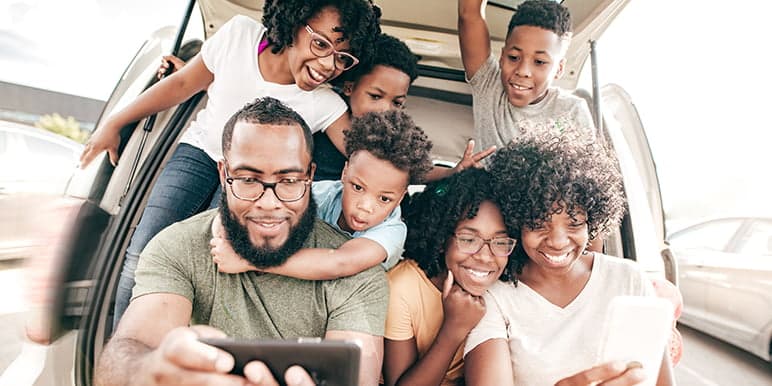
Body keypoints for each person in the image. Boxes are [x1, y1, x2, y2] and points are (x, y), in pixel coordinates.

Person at [79, 0, 381, 326]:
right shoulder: (239, 35)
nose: (328, 64)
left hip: (249, 182)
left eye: (342, 57)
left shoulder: (326, 104)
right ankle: (128, 353)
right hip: (199, 155)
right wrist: (114, 123)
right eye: (321, 44)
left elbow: (370, 160)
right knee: (143, 252)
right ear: (294, 24)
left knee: (210, 260)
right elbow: (181, 85)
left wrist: (422, 180)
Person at [93, 97, 388, 386]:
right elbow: (129, 350)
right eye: (248, 179)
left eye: (288, 181)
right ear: (224, 175)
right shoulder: (179, 246)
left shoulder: (359, 275)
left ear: (310, 176)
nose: (269, 203)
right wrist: (150, 371)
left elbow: (358, 376)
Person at [463, 132, 675, 386]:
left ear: (593, 220)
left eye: (574, 224)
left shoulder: (628, 279)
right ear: (516, 221)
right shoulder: (495, 297)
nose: (558, 241)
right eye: (539, 224)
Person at [211, 109, 433, 277]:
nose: (365, 206)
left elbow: (341, 262)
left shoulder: (392, 231)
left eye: (384, 198)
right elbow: (269, 205)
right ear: (345, 172)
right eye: (358, 187)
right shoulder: (325, 193)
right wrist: (223, 228)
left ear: (401, 197)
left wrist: (251, 261)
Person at [382, 168, 516, 386]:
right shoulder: (402, 288)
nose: (484, 256)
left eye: (500, 242)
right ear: (442, 237)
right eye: (469, 239)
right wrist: (453, 329)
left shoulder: (502, 289)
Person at [457, 0, 595, 153]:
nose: (523, 71)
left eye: (539, 62)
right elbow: (468, 14)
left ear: (559, 69)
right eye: (514, 57)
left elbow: (582, 172)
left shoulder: (572, 111)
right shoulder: (489, 85)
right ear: (502, 57)